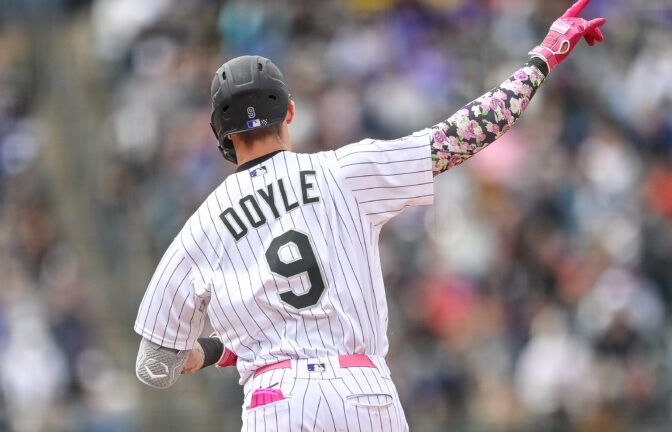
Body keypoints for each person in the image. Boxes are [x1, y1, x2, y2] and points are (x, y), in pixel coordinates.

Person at [133, 1, 606, 430]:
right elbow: (469, 132)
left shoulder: (202, 227)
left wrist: (212, 351)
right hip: (363, 391)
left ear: (221, 135)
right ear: (291, 112)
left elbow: (153, 366)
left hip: (275, 401)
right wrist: (544, 55)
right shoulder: (345, 171)